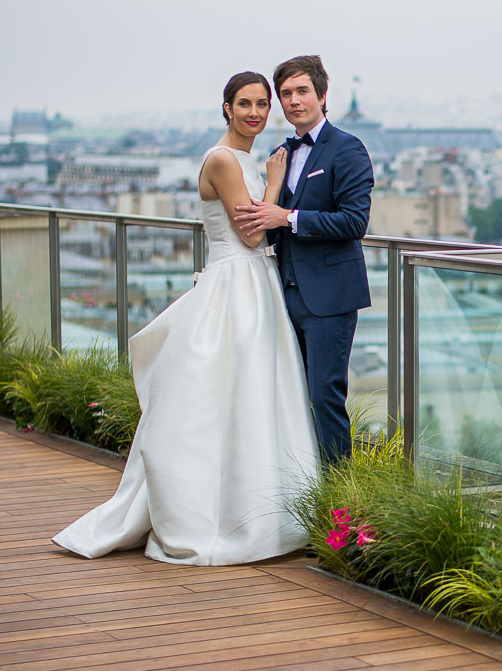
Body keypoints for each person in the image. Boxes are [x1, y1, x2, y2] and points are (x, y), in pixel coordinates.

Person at [52, 72, 317, 564]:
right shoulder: (223, 159)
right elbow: (254, 235)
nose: (256, 112)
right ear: (225, 108)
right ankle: (235, 516)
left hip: (249, 283)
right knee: (238, 396)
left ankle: (250, 510)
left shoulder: (237, 158)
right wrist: (277, 184)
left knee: (241, 397)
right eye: (245, 104)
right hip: (239, 281)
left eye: (262, 103)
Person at [235, 55, 374, 463]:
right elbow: (269, 219)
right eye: (286, 94)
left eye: (302, 91)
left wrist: (288, 218)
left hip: (329, 298)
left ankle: (340, 500)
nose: (294, 101)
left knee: (324, 397)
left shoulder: (347, 148)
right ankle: (302, 486)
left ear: (322, 95)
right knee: (289, 399)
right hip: (284, 293)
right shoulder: (281, 153)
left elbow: (354, 221)